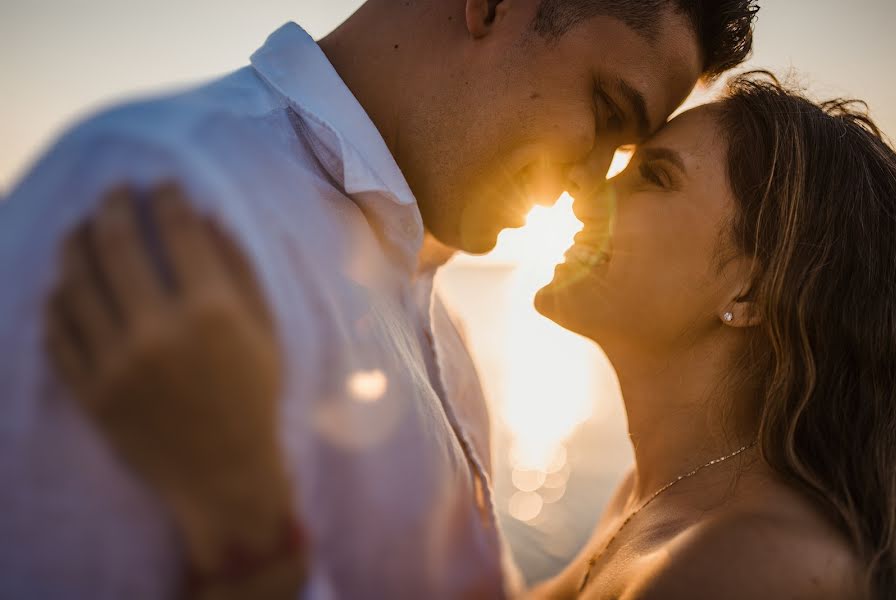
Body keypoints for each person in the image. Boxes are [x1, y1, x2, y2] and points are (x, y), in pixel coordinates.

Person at [0, 1, 759, 598]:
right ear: (491, 5)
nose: (592, 185)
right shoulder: (156, 200)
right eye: (605, 112)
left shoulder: (432, 316)